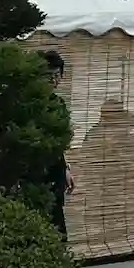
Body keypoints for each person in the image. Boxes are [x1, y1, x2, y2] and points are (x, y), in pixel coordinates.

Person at [41, 50, 75, 239]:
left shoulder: (58, 103)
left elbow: (59, 142)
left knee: (56, 216)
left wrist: (65, 168)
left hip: (55, 170)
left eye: (57, 75)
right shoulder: (25, 103)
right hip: (33, 173)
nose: (53, 80)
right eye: (48, 75)